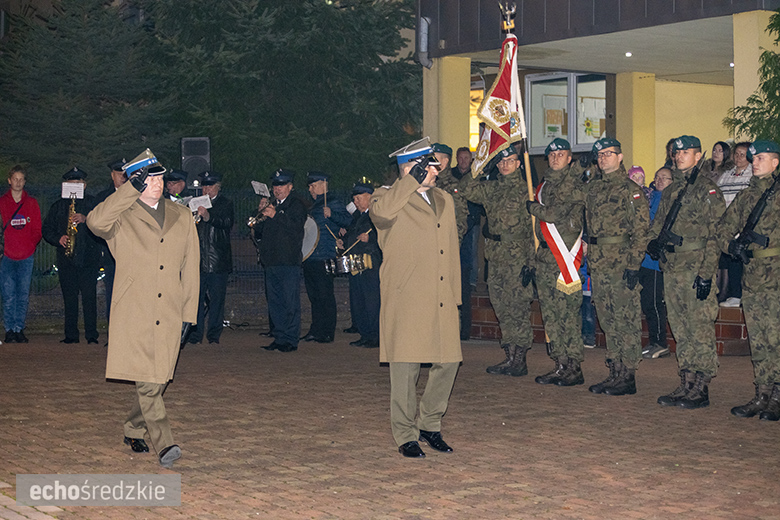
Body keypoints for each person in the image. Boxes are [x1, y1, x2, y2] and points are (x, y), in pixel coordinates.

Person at [87, 149, 199, 469]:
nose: (158, 183)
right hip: (135, 308)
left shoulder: (182, 215)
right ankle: (165, 443)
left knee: (158, 379)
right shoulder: (120, 217)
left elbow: (191, 266)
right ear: (136, 181)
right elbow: (95, 221)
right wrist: (128, 190)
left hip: (170, 310)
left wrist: (189, 313)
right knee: (150, 382)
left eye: (160, 177)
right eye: (149, 178)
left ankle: (134, 426)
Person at [370, 137, 461, 458]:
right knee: (406, 368)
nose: (436, 171)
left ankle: (430, 424)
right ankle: (405, 433)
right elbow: (380, 215)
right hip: (407, 295)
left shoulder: (443, 200)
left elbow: (451, 248)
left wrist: (455, 294)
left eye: (434, 166)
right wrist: (409, 181)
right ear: (410, 168)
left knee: (449, 361)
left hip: (440, 294)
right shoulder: (386, 196)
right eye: (430, 166)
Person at [647, 135, 726, 409]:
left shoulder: (707, 189)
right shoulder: (669, 191)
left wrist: (706, 273)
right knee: (680, 328)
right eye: (676, 153)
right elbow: (657, 225)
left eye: (686, 152)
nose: (679, 156)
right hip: (673, 268)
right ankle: (687, 380)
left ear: (698, 155)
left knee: (699, 328)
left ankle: (701, 387)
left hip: (696, 266)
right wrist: (652, 242)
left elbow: (717, 234)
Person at [716, 140, 780, 420]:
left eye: (761, 158)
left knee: (776, 338)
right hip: (754, 276)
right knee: (760, 338)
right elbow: (723, 229)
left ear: (776, 162)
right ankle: (762, 393)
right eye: (753, 158)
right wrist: (733, 247)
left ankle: (777, 395)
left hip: (776, 274)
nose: (755, 162)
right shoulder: (746, 196)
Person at [461, 145, 535, 377]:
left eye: (510, 161)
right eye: (501, 162)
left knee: (518, 308)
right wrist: (480, 166)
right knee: (501, 306)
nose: (505, 165)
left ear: (519, 164)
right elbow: (466, 189)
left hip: (517, 257)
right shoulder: (491, 188)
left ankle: (520, 359)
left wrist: (531, 263)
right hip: (495, 255)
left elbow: (535, 231)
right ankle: (509, 355)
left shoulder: (527, 191)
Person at [584, 138, 650, 396]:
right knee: (607, 319)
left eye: (609, 154)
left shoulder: (630, 190)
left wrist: (634, 265)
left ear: (620, 157)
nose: (603, 158)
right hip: (599, 264)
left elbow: (641, 231)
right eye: (599, 154)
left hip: (622, 264)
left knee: (626, 319)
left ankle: (628, 374)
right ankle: (614, 369)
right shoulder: (593, 189)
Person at [525, 138, 586, 386]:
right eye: (551, 155)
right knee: (551, 315)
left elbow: (553, 214)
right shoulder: (544, 186)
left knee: (568, 315)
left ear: (569, 158)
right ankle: (560, 364)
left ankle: (574, 366)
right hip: (546, 258)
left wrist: (532, 207)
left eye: (561, 154)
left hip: (566, 260)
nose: (555, 158)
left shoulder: (573, 184)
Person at [42, 167, 101, 344]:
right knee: (69, 297)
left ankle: (92, 335)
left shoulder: (93, 203)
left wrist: (86, 218)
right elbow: (46, 229)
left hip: (89, 257)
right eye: (71, 183)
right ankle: (71, 335)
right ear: (65, 185)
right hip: (66, 258)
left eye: (78, 183)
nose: (75, 186)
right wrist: (58, 238)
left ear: (84, 185)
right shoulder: (58, 205)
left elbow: (102, 224)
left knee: (90, 297)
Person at [255, 169, 307, 353]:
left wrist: (275, 215)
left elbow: (295, 227)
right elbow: (258, 231)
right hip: (271, 260)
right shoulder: (270, 205)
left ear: (290, 186)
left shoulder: (297, 204)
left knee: (289, 302)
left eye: (282, 185)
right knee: (275, 302)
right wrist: (259, 212)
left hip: (288, 260)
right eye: (275, 186)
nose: (277, 189)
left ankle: (290, 339)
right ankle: (279, 336)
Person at [301, 171, 351, 344]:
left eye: (313, 185)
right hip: (310, 256)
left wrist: (333, 215)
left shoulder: (333, 202)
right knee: (314, 296)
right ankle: (316, 329)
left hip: (325, 255)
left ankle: (327, 332)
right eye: (309, 186)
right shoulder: (314, 205)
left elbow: (348, 221)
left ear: (323, 184)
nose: (310, 189)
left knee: (325, 295)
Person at [432, 143, 474, 340]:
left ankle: (450, 339)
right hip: (427, 253)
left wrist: (449, 247)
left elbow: (460, 223)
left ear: (446, 161)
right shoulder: (426, 186)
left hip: (447, 251)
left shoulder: (452, 188)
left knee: (449, 297)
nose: (430, 161)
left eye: (435, 157)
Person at [188, 171, 234, 345]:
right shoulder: (194, 203)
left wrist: (209, 217)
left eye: (210, 185)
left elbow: (227, 222)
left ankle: (214, 334)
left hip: (217, 261)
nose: (206, 189)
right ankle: (195, 334)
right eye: (204, 185)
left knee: (217, 301)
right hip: (198, 260)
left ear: (217, 187)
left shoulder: (225, 203)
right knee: (196, 300)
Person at [0, 166, 41, 343]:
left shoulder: (31, 203)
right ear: (9, 180)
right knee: (8, 295)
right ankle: (9, 329)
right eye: (15, 179)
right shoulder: (2, 202)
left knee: (23, 295)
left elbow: (37, 229)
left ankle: (19, 328)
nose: (18, 182)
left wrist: (30, 246)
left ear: (25, 181)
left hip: (26, 256)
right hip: (7, 256)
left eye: (21, 179)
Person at [339, 179, 381, 349]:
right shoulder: (357, 216)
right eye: (354, 199)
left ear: (370, 197)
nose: (355, 202)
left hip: (371, 262)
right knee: (359, 299)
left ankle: (375, 335)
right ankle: (365, 334)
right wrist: (344, 242)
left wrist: (370, 238)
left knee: (372, 300)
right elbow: (352, 234)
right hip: (356, 262)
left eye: (359, 198)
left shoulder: (377, 215)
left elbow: (385, 236)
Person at [640, 167, 672, 359]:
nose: (659, 180)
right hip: (643, 259)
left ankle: (661, 342)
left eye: (664, 178)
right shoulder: (650, 198)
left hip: (655, 261)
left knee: (654, 302)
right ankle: (653, 341)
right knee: (646, 302)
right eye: (657, 177)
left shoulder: (669, 201)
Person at [716, 142, 753, 307]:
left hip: (744, 226)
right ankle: (734, 294)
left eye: (742, 154)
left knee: (742, 260)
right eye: (736, 154)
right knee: (730, 259)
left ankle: (743, 294)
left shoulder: (753, 174)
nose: (738, 157)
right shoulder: (726, 174)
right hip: (727, 224)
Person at [95, 159, 128, 327]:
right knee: (112, 295)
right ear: (112, 175)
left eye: (125, 173)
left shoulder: (137, 197)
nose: (123, 176)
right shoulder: (103, 198)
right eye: (119, 173)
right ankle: (113, 332)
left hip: (131, 255)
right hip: (111, 255)